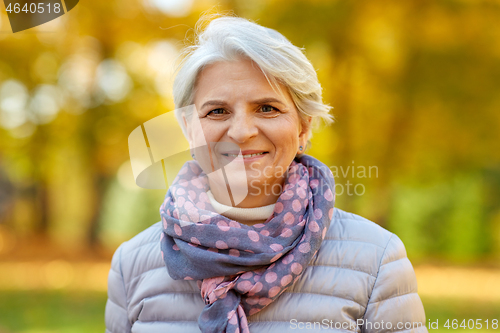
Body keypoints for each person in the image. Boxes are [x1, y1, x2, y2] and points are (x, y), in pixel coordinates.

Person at [105, 15, 427, 333]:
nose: (242, 131)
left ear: (303, 127)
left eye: (267, 108)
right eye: (217, 111)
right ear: (190, 128)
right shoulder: (131, 266)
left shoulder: (376, 260)